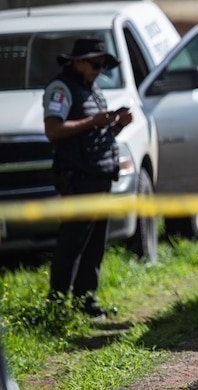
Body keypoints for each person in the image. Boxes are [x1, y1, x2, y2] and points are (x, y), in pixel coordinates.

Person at [43, 37, 132, 318]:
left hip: (100, 175)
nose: (99, 70)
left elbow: (95, 136)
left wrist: (115, 125)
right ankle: (56, 306)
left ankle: (86, 301)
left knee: (94, 245)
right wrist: (94, 121)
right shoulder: (61, 88)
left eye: (103, 65)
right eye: (95, 64)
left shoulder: (92, 90)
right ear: (77, 62)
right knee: (72, 243)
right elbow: (53, 130)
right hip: (78, 179)